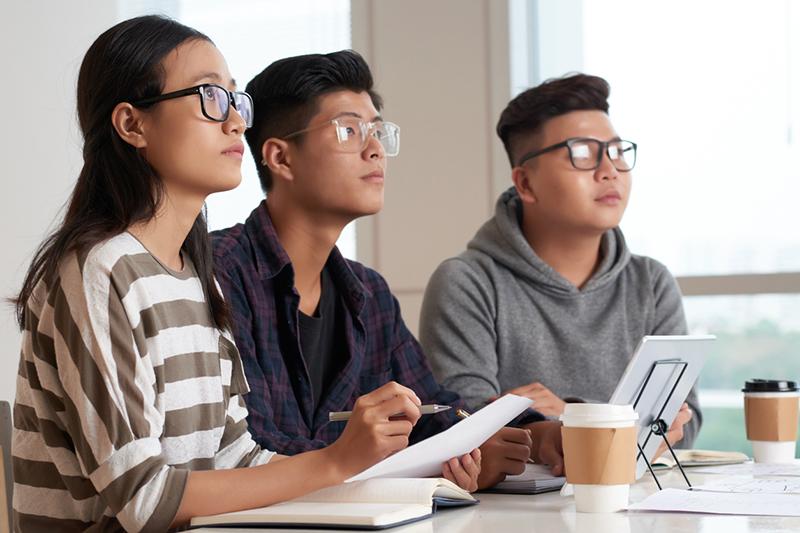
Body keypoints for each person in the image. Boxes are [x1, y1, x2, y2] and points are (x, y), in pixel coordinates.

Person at [11, 17, 479, 532]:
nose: (236, 122)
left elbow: (239, 458)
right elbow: (142, 497)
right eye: (211, 97)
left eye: (236, 101)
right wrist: (336, 461)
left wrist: (380, 481)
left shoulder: (197, 278)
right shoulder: (99, 270)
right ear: (132, 124)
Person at [212, 50, 565, 487]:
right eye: (349, 130)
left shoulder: (368, 293)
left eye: (378, 131)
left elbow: (434, 409)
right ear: (281, 159)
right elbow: (254, 447)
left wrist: (536, 432)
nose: (376, 149)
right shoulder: (220, 275)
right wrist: (430, 460)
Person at [419, 73, 700, 452]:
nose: (610, 170)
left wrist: (570, 415)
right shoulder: (467, 282)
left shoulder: (650, 282)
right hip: (513, 510)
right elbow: (462, 422)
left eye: (617, 151)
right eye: (582, 153)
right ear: (526, 183)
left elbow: (685, 420)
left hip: (637, 502)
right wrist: (625, 424)